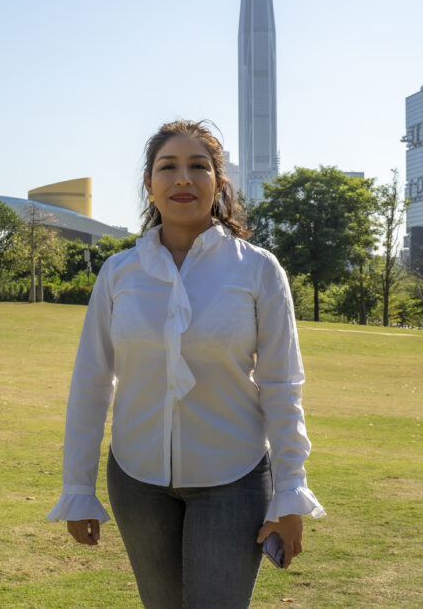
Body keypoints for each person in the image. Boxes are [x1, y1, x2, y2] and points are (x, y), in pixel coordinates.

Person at [47, 120, 325, 608]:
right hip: (136, 481)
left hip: (233, 480)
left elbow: (282, 385)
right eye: (167, 167)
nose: (183, 178)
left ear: (219, 183)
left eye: (199, 166)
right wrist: (77, 488)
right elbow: (91, 383)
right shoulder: (118, 273)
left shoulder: (258, 269)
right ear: (149, 185)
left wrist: (290, 493)